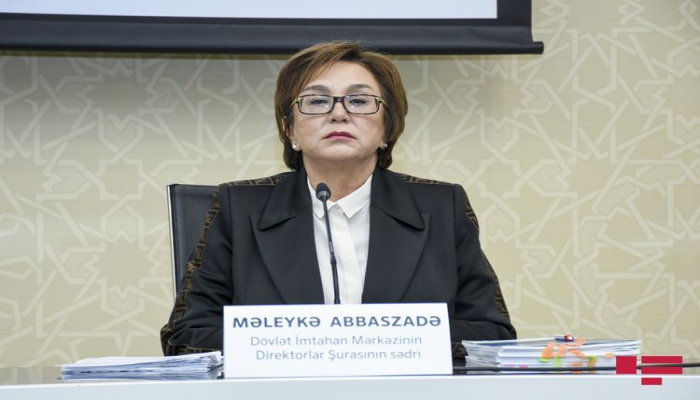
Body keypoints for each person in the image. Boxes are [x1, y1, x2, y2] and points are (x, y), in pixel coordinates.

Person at [161, 41, 515, 356]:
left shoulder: (441, 206)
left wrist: (374, 344)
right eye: (317, 101)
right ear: (289, 129)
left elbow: (492, 334)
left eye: (359, 100)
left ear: (388, 127)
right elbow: (185, 337)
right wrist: (308, 347)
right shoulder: (238, 207)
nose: (339, 113)